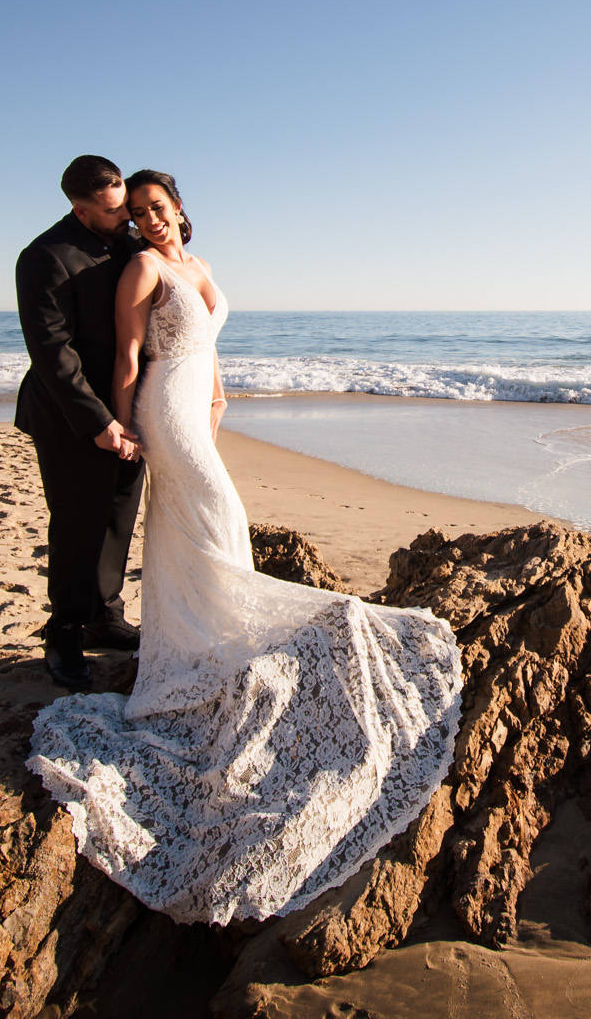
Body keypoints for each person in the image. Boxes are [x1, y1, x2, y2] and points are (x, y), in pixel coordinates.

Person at [27, 170, 462, 926]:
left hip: (196, 398)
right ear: (98, 208)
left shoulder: (190, 262)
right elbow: (127, 355)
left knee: (188, 524)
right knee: (212, 512)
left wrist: (221, 391)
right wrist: (122, 427)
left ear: (180, 209)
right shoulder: (131, 264)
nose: (148, 219)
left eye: (157, 207)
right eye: (135, 211)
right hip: (158, 408)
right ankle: (136, 630)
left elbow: (203, 334)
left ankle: (179, 625)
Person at [15, 154, 145, 690]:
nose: (126, 217)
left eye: (125, 206)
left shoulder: (133, 242)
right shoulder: (44, 256)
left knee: (118, 514)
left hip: (132, 407)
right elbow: (51, 350)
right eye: (114, 211)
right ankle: (64, 629)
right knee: (77, 522)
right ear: (80, 207)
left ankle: (105, 615)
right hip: (69, 413)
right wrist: (96, 419)